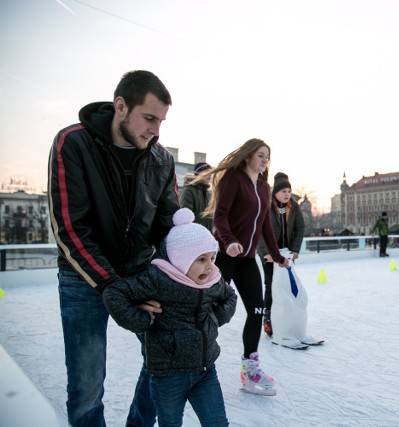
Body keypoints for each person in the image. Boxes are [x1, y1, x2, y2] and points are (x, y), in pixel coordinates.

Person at [47, 70, 178, 427]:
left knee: (165, 360)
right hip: (84, 279)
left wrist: (188, 271)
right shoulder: (73, 143)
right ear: (121, 106)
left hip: (139, 273)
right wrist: (111, 285)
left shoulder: (161, 159)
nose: (155, 130)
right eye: (149, 118)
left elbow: (168, 228)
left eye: (161, 121)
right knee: (87, 386)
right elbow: (71, 227)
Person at [102, 208, 237, 427]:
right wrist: (142, 320)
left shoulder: (212, 280)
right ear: (181, 260)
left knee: (218, 423)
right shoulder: (158, 279)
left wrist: (215, 317)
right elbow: (114, 294)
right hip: (169, 376)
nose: (210, 265)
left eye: (212, 257)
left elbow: (230, 297)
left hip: (205, 370)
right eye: (201, 259)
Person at [196, 138, 288, 396]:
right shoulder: (233, 180)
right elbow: (220, 216)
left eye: (267, 156)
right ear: (248, 156)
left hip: (247, 260)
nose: (264, 160)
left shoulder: (263, 186)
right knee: (209, 309)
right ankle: (194, 359)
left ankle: (250, 368)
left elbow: (265, 226)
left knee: (257, 310)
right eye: (260, 155)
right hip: (225, 256)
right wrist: (230, 241)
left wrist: (277, 256)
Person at [257, 172, 305, 337]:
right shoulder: (266, 206)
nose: (287, 194)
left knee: (288, 286)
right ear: (275, 193)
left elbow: (300, 228)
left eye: (289, 191)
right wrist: (266, 254)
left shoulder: (294, 206)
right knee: (270, 286)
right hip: (270, 254)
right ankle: (268, 319)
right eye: (283, 191)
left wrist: (296, 250)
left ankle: (286, 319)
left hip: (287, 254)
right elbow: (259, 231)